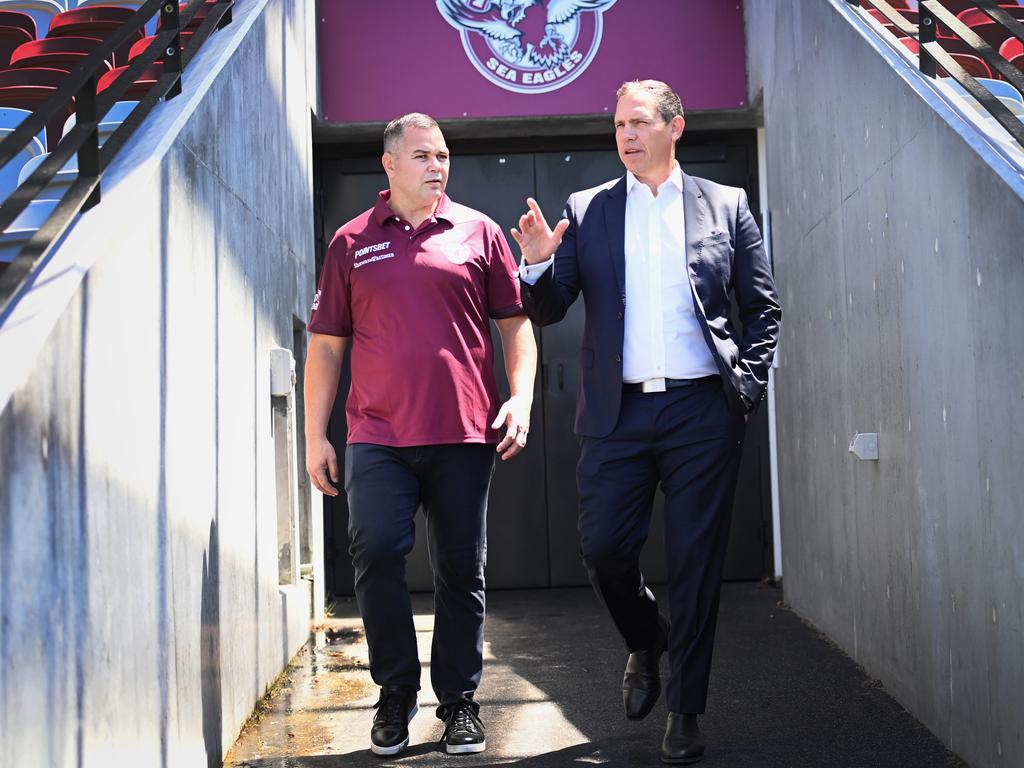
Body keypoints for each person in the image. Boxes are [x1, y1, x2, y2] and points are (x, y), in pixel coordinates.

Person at [512, 80, 781, 765]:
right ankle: (645, 636)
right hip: (617, 412)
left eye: (638, 123)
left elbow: (762, 308)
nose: (626, 135)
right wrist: (538, 264)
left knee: (696, 564)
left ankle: (686, 711)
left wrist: (743, 388)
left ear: (675, 127)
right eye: (618, 125)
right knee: (603, 549)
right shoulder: (589, 209)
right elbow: (548, 309)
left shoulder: (727, 205)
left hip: (702, 412)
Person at [304, 112, 536, 757]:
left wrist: (520, 396)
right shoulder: (351, 242)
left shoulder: (478, 232)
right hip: (376, 434)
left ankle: (459, 702)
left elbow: (516, 325)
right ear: (389, 163)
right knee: (376, 551)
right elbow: (326, 345)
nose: (437, 166)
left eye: (443, 155)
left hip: (464, 432)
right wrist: (314, 435)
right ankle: (396, 692)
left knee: (463, 569)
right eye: (424, 155)